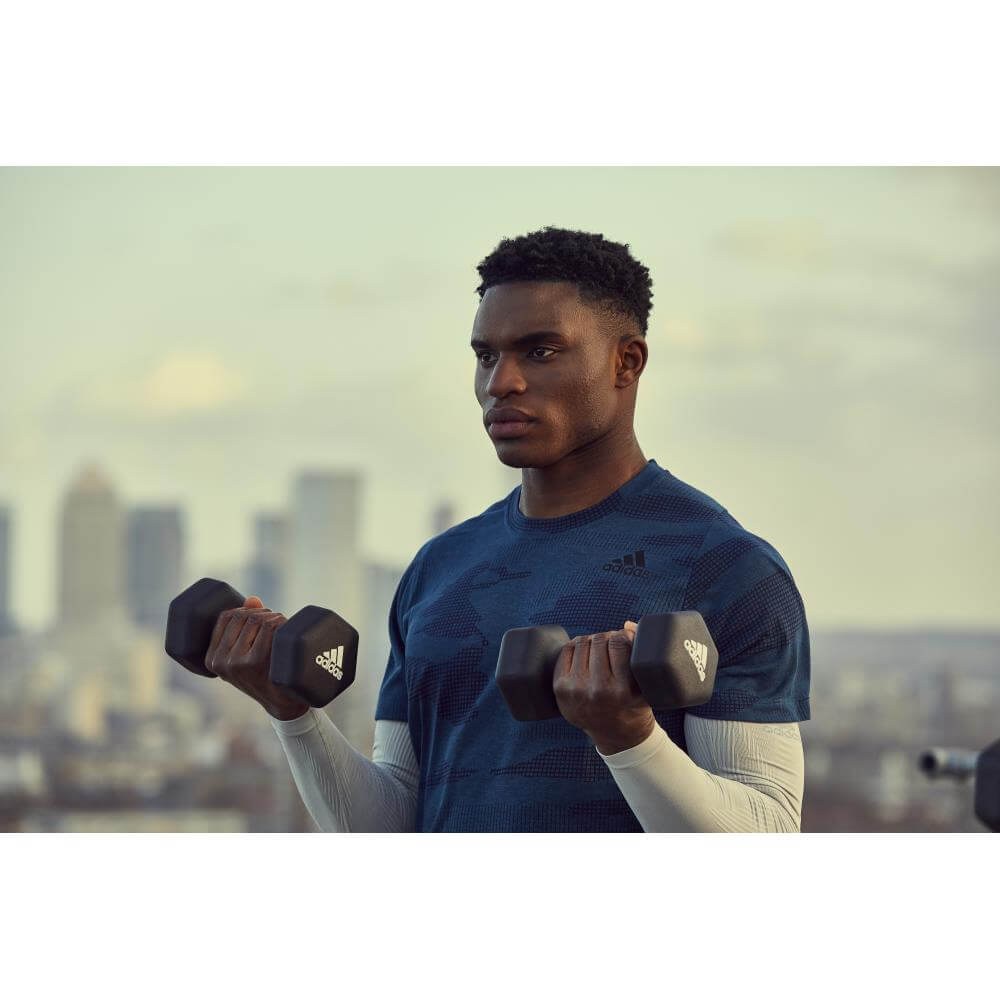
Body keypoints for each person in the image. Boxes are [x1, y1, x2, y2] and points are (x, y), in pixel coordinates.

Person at [217, 226, 810, 832]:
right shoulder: (438, 569)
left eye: (541, 352)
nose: (501, 382)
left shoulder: (727, 567)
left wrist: (629, 735)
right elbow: (391, 826)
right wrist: (291, 711)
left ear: (625, 362)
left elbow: (766, 831)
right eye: (485, 356)